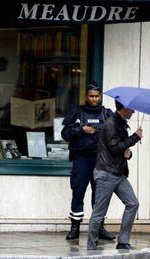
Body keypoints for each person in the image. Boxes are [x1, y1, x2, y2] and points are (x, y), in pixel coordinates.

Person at [61, 82, 114, 241]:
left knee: (99, 195)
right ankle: (75, 227)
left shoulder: (106, 114)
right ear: (86, 96)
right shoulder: (76, 112)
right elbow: (65, 134)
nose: (94, 99)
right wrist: (81, 130)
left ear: (100, 97)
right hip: (82, 159)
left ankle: (99, 228)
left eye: (97, 96)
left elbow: (117, 133)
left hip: (101, 160)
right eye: (91, 96)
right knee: (78, 191)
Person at [87, 100, 143, 250]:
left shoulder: (121, 123)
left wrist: (128, 153)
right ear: (124, 108)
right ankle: (91, 248)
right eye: (132, 108)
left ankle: (123, 242)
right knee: (99, 213)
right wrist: (135, 138)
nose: (134, 112)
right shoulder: (112, 123)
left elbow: (121, 149)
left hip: (118, 173)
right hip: (106, 173)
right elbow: (114, 148)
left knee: (133, 203)